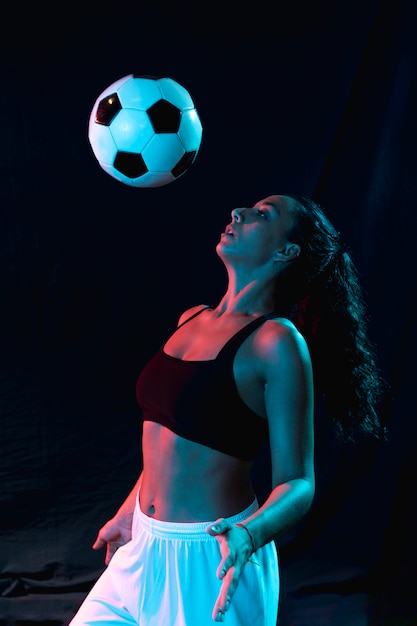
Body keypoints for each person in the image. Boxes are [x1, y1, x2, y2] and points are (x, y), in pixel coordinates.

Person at [68, 194, 386, 626]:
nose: (238, 213)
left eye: (262, 215)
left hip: (214, 558)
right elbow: (170, 440)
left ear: (286, 251)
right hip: (142, 545)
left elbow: (298, 482)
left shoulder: (277, 343)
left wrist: (249, 534)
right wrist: (128, 513)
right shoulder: (190, 319)